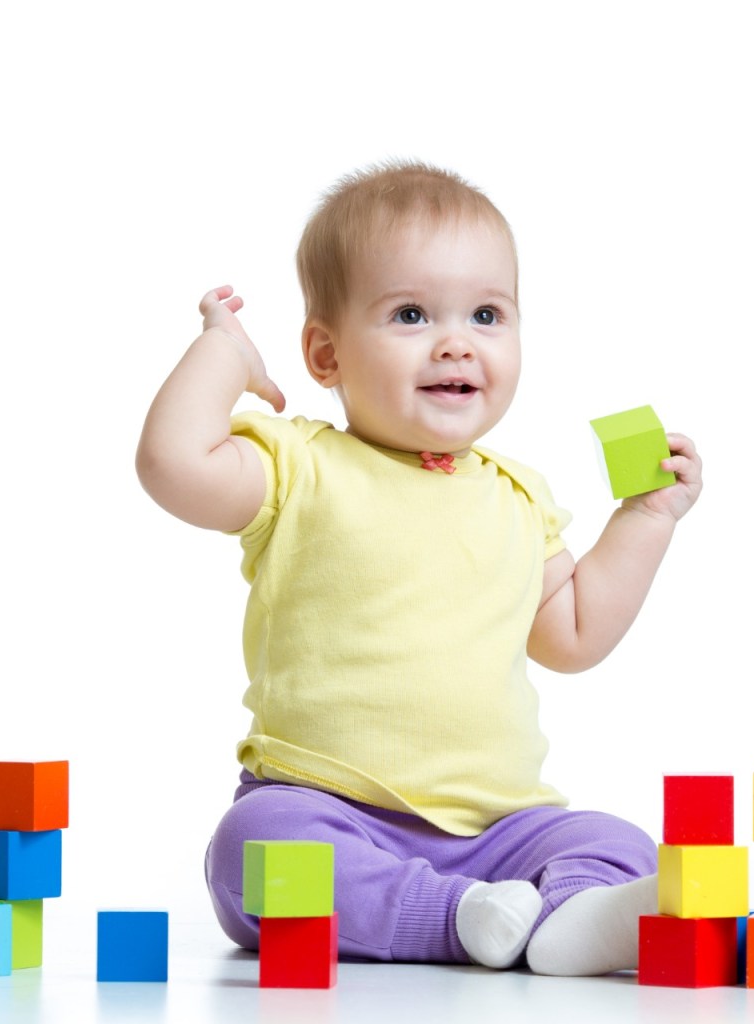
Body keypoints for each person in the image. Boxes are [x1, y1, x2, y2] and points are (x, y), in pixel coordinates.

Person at [135, 160, 703, 976]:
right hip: (331, 814)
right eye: (410, 313)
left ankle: (567, 918)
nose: (455, 341)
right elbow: (171, 462)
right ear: (324, 355)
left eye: (486, 313)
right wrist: (225, 354)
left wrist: (646, 520)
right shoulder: (299, 466)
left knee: (614, 841)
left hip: (500, 831)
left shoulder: (516, 494)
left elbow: (574, 632)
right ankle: (463, 920)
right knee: (251, 851)